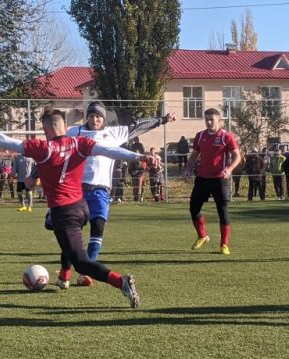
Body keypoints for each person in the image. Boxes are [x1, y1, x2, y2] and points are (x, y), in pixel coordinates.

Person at [0, 109, 160, 308]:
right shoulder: (80, 143)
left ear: (46, 129)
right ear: (64, 126)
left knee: (81, 261)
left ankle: (120, 281)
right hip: (81, 207)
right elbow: (110, 150)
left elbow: (3, 141)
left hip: (64, 211)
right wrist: (139, 156)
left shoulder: (43, 148)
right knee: (58, 232)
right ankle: (63, 275)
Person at [66, 101, 175, 282]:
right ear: (87, 117)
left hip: (101, 189)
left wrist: (162, 120)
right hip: (77, 189)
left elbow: (138, 126)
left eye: (98, 116)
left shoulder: (114, 133)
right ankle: (65, 272)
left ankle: (86, 272)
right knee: (72, 231)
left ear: (104, 118)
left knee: (98, 227)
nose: (95, 119)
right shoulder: (74, 133)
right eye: (92, 116)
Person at [182, 108, 242, 255]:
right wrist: (188, 169)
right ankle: (202, 236)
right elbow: (194, 155)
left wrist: (229, 169)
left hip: (219, 179)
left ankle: (224, 245)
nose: (209, 122)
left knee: (222, 212)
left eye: (212, 120)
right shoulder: (200, 136)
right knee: (193, 209)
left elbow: (237, 156)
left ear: (219, 120)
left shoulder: (226, 136)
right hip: (202, 178)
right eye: (207, 120)